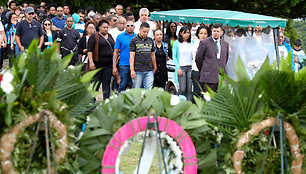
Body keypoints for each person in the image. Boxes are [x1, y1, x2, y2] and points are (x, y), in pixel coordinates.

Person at [195, 23, 229, 92]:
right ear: (211, 31)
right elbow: (198, 59)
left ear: (221, 33)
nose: (215, 33)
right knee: (209, 99)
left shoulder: (225, 44)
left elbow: (226, 58)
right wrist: (205, 70)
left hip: (221, 77)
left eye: (217, 31)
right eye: (214, 31)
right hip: (208, 77)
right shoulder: (204, 43)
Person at [87, 19, 114, 99]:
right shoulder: (94, 36)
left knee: (107, 83)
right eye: (104, 27)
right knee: (95, 84)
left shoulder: (110, 36)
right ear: (99, 27)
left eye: (107, 27)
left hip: (108, 64)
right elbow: (89, 51)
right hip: (97, 64)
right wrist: (91, 62)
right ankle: (92, 102)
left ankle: (106, 101)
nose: (106, 29)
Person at [129, 22, 157, 89]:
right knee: (137, 90)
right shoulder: (134, 41)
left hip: (149, 69)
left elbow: (152, 54)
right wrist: (132, 70)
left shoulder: (150, 40)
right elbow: (132, 56)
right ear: (139, 29)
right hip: (138, 70)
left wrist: (155, 66)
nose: (146, 34)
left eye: (147, 32)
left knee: (148, 89)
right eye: (144, 32)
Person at [113, 20, 136, 92]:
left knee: (134, 86)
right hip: (124, 64)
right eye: (128, 26)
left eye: (131, 25)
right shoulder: (120, 37)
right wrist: (114, 66)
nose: (130, 27)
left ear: (134, 27)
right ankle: (120, 101)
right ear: (125, 26)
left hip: (135, 65)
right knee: (122, 85)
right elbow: (116, 52)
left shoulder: (137, 37)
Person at [172, 26, 194, 100]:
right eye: (185, 33)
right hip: (181, 67)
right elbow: (174, 56)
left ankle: (188, 105)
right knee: (182, 88)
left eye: (188, 33)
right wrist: (178, 68)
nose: (187, 35)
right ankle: (177, 101)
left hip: (190, 67)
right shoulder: (177, 43)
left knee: (189, 89)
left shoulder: (192, 42)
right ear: (181, 33)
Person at [192, 26, 211, 97]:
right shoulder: (196, 44)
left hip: (207, 72)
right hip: (197, 71)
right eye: (201, 33)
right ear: (198, 34)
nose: (203, 35)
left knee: (206, 93)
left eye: (205, 34)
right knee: (197, 92)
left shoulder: (211, 45)